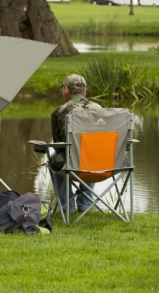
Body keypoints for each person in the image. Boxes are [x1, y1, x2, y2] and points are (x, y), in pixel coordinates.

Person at [50, 74, 102, 213]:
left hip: (75, 166)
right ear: (84, 91)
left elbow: (59, 145)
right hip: (103, 165)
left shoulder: (60, 112)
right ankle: (85, 202)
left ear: (66, 90)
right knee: (92, 153)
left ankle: (67, 206)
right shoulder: (99, 109)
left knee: (54, 160)